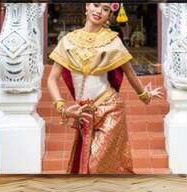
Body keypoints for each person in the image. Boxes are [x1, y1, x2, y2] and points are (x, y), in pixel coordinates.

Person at [47, 3, 163, 174]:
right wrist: (62, 107)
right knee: (85, 164)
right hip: (84, 113)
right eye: (95, 5)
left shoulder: (113, 41)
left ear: (109, 15)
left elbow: (129, 73)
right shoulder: (67, 41)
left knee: (97, 165)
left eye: (106, 9)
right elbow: (51, 79)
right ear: (86, 6)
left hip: (111, 109)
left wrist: (145, 95)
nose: (99, 11)